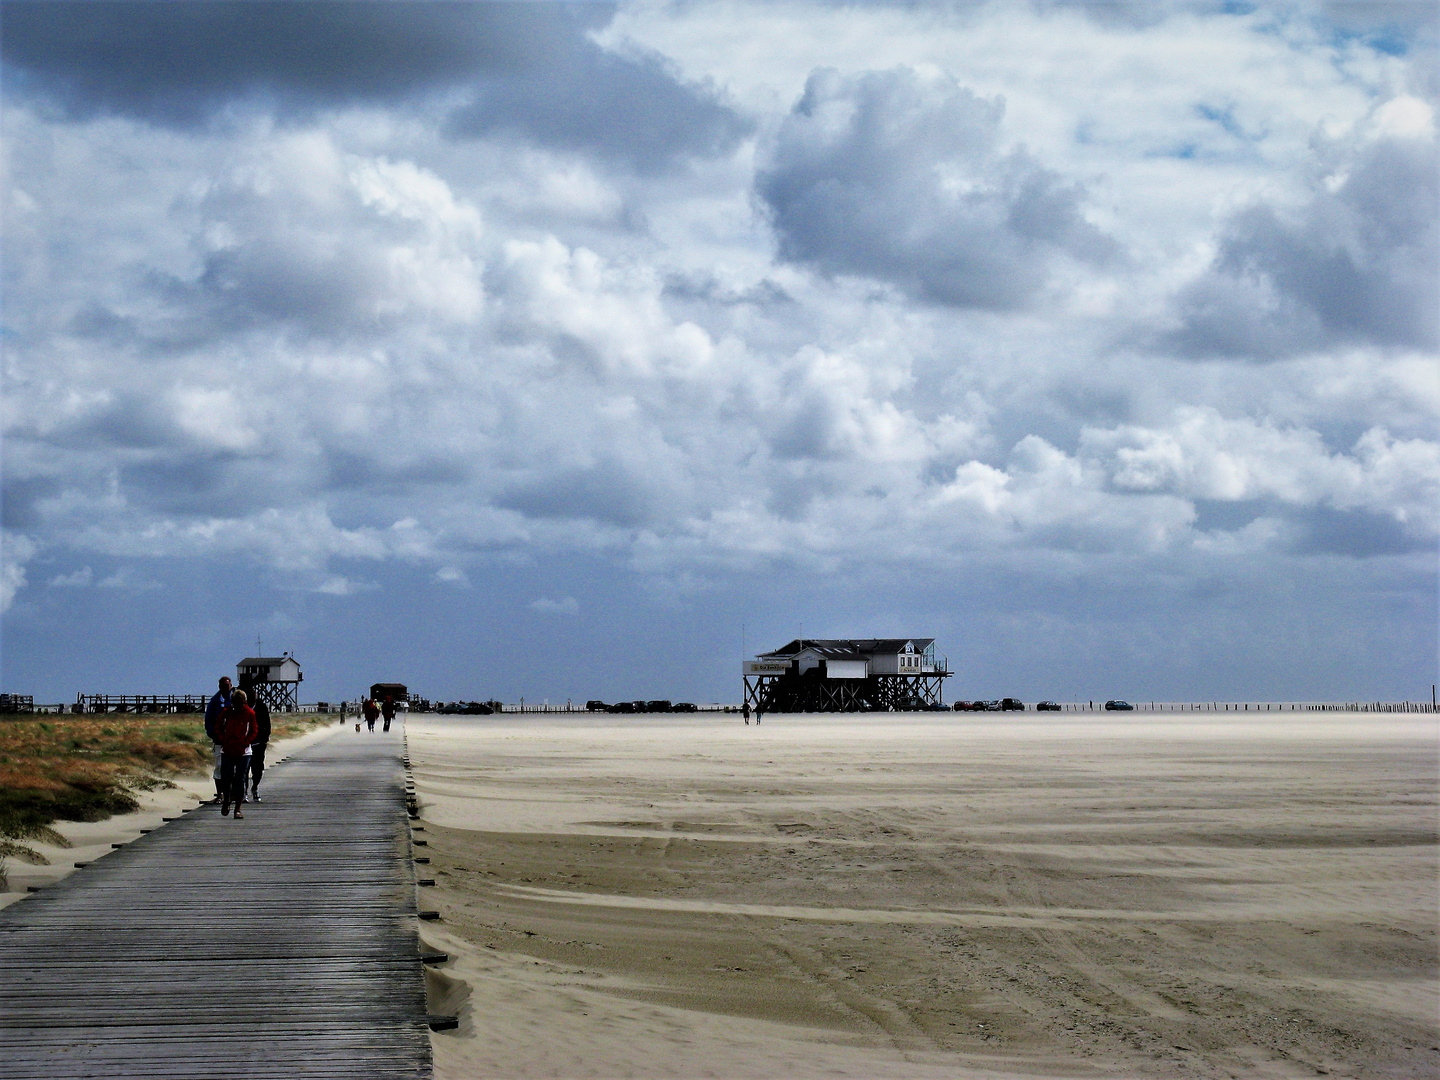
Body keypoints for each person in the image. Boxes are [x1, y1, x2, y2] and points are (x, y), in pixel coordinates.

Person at [218, 689, 258, 819]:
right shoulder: (226, 713)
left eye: (240, 703)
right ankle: (226, 801)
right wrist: (223, 740)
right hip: (227, 749)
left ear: (244, 702)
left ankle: (238, 809)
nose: (238, 705)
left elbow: (254, 730)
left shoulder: (249, 713)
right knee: (226, 777)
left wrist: (246, 742)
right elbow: (218, 727)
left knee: (240, 779)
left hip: (244, 751)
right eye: (235, 702)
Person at [204, 676, 233, 803]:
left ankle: (232, 793)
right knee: (219, 767)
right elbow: (208, 720)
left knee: (234, 768)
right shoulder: (215, 701)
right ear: (219, 686)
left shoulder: (235, 698)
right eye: (223, 685)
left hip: (234, 740)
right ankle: (220, 794)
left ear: (231, 685)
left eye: (227, 685)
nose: (225, 688)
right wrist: (213, 734)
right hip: (219, 741)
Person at [247, 684, 271, 803]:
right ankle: (244, 792)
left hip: (259, 743)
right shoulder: (243, 707)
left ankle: (255, 787)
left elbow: (267, 723)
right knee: (244, 770)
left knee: (258, 769)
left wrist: (265, 738)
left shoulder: (261, 707)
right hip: (245, 744)